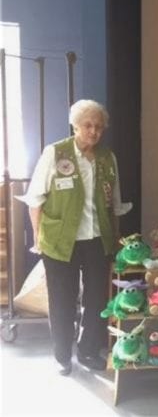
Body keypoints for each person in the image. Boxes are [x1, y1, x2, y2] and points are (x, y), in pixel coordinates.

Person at [18, 99, 131, 376]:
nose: (93, 132)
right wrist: (38, 237)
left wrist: (115, 236)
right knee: (62, 298)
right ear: (75, 125)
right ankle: (61, 356)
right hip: (60, 240)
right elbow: (35, 200)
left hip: (97, 239)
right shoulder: (55, 153)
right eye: (88, 125)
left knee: (96, 299)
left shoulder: (107, 157)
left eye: (99, 127)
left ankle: (88, 350)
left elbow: (114, 203)